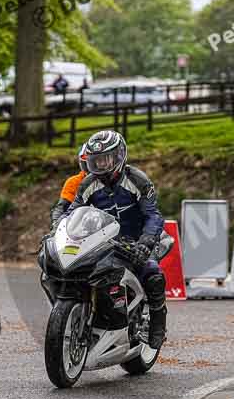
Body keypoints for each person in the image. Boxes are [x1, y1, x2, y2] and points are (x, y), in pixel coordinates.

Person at [60, 131, 167, 349]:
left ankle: (158, 322)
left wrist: (145, 243)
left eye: (104, 159)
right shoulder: (88, 183)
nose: (100, 164)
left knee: (153, 274)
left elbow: (153, 215)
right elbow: (71, 213)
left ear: (119, 155)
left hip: (136, 240)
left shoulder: (137, 180)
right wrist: (58, 231)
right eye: (95, 160)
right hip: (102, 241)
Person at [50, 143, 88, 230]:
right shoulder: (74, 182)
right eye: (88, 163)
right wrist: (55, 227)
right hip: (77, 229)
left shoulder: (112, 181)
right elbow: (61, 207)